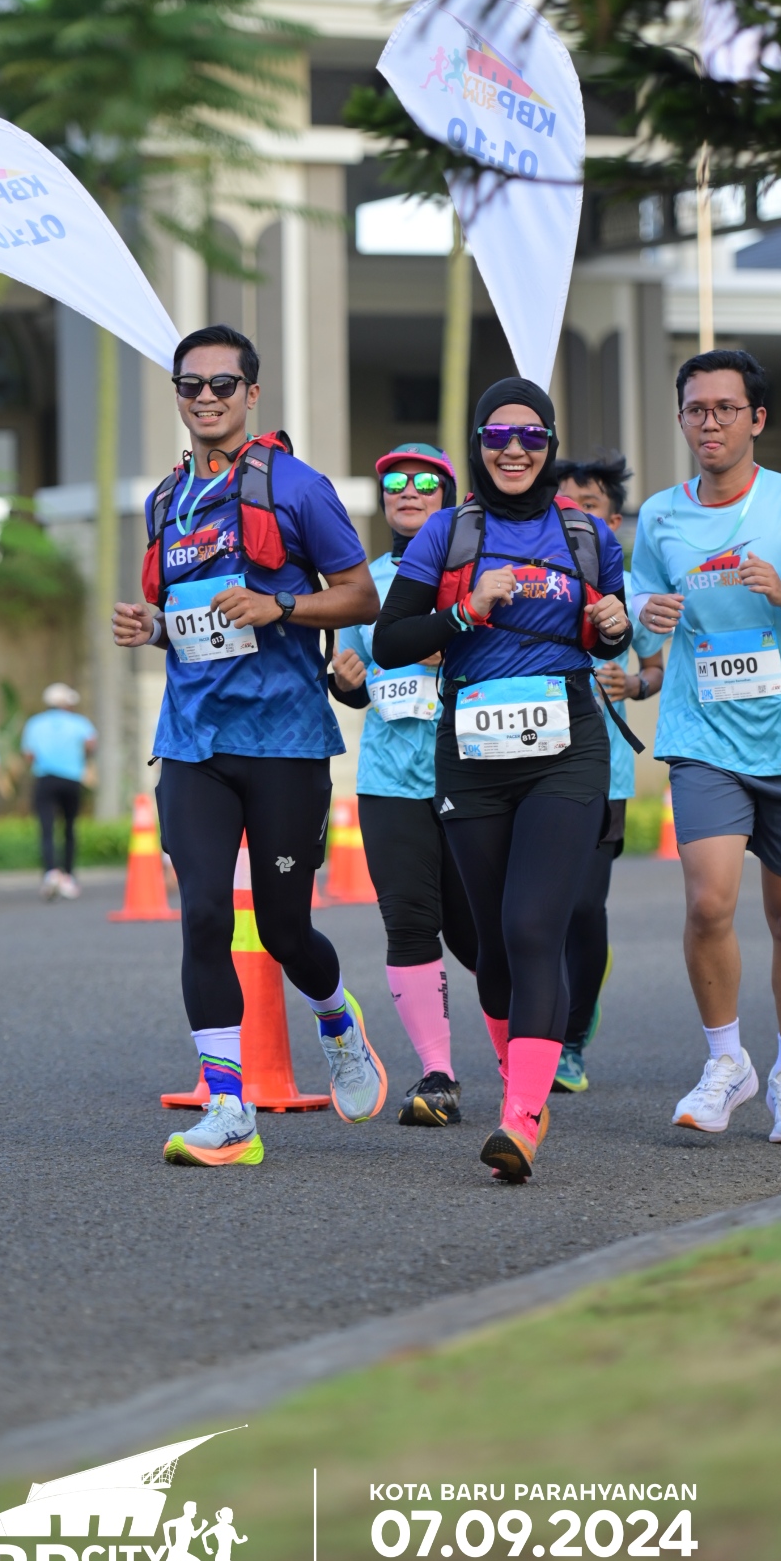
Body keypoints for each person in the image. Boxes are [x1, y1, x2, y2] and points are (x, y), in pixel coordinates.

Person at [112, 323, 381, 1168]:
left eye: (222, 384)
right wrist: (154, 625)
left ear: (251, 393)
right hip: (193, 741)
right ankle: (229, 1108)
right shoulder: (166, 500)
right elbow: (193, 621)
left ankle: (337, 1019)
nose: (206, 398)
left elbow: (362, 596)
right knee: (201, 915)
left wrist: (282, 607)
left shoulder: (296, 487)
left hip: (284, 741)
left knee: (284, 928)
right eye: (190, 385)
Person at [374, 379, 633, 1182]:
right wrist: (466, 610)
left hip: (566, 748)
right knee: (491, 946)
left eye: (530, 436)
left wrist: (614, 625)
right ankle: (522, 1080)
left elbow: (609, 632)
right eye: (497, 435)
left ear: (549, 444)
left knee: (532, 927)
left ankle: (520, 1116)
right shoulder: (447, 532)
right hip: (473, 751)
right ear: (479, 443)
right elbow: (389, 641)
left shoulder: (587, 534)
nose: (513, 449)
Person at [630, 348, 781, 1144]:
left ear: (756, 419)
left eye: (726, 408)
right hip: (704, 734)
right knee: (708, 902)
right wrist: (647, 612)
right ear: (681, 418)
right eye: (696, 409)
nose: (710, 423)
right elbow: (636, 594)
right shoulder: (660, 515)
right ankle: (726, 1060)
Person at [330, 442, 478, 1126]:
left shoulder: (475, 573)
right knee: (410, 922)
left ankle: (526, 1060)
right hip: (390, 778)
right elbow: (355, 678)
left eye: (424, 481)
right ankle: (438, 1075)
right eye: (395, 482)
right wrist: (346, 682)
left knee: (479, 934)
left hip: (473, 770)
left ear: (448, 496)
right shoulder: (367, 583)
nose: (408, 491)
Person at [552, 454, 666, 1093]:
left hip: (605, 773)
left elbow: (655, 667)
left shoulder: (626, 585)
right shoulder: (534, 574)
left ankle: (571, 1040)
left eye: (588, 505)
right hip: (529, 763)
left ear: (612, 521)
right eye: (563, 503)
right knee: (535, 908)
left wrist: (634, 684)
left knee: (581, 907)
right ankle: (553, 1013)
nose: (573, 514)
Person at [20, 685, 97, 900]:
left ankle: (50, 873)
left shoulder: (35, 723)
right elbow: (91, 744)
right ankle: (68, 875)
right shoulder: (79, 722)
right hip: (72, 779)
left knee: (46, 828)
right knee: (69, 828)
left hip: (45, 779)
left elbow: (29, 755)